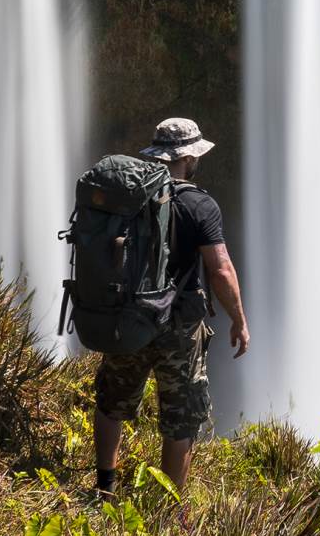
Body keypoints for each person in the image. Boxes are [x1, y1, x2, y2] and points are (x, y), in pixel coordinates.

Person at [92, 117, 249, 501]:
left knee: (112, 401)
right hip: (178, 325)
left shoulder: (126, 197)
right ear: (190, 158)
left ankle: (105, 488)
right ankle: (171, 508)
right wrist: (239, 320)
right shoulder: (199, 204)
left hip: (128, 318)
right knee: (181, 418)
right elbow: (220, 269)